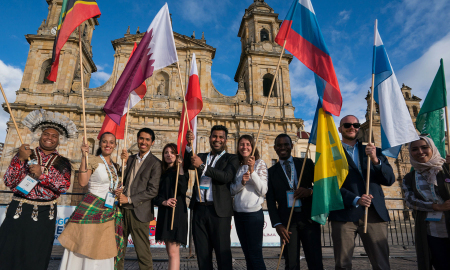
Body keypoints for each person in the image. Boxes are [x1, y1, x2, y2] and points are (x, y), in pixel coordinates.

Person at [0, 109, 76, 270]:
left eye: (54, 136)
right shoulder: (25, 153)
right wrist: (20, 160)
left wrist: (43, 176)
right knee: (9, 251)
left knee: (36, 253)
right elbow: (9, 181)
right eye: (46, 134)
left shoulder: (63, 162)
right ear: (40, 136)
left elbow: (63, 185)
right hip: (18, 210)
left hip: (44, 214)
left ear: (59, 140)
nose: (49, 138)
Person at [329, 115, 395, 270]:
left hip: (373, 212)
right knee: (342, 264)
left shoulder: (375, 151)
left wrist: (375, 160)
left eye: (355, 125)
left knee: (381, 263)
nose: (352, 127)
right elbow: (329, 185)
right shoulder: (331, 154)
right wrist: (355, 199)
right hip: (343, 213)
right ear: (340, 129)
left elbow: (390, 179)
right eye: (347, 125)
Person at [58, 132, 124, 269]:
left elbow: (112, 186)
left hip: (108, 211)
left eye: (111, 142)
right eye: (105, 141)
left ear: (115, 146)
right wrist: (84, 156)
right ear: (100, 143)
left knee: (103, 246)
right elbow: (82, 182)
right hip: (92, 207)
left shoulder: (115, 166)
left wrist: (118, 191)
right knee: (86, 244)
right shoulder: (92, 159)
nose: (108, 145)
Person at [184, 125, 239, 270]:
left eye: (221, 137)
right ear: (210, 138)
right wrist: (189, 146)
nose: (217, 139)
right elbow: (186, 164)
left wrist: (203, 167)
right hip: (199, 210)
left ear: (226, 140)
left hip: (219, 212)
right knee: (202, 254)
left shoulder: (231, 158)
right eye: (214, 136)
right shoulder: (201, 156)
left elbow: (226, 177)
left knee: (222, 253)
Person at [266, 133, 323, 270]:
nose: (283, 147)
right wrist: (277, 224)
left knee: (315, 261)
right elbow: (270, 201)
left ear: (292, 146)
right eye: (279, 145)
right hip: (287, 224)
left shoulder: (306, 163)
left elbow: (322, 186)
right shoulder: (271, 172)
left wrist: (310, 191)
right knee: (291, 264)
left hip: (309, 219)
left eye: (286, 144)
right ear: (275, 148)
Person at [116, 128, 162, 270]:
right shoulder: (129, 159)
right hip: (121, 211)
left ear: (152, 142)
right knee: (117, 250)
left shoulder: (155, 163)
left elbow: (153, 190)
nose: (143, 142)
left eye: (147, 139)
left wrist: (129, 199)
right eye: (141, 138)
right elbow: (120, 178)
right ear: (137, 140)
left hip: (140, 212)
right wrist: (122, 164)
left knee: (143, 253)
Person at [402, 136, 450, 270]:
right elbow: (410, 201)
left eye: (424, 147)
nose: (420, 152)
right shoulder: (410, 178)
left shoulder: (446, 168)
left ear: (432, 148)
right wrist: (436, 206)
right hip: (432, 233)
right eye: (414, 149)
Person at [230, 135, 268, 270]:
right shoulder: (237, 165)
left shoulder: (260, 163)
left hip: (253, 215)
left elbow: (263, 190)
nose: (244, 147)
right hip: (239, 215)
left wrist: (252, 172)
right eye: (241, 144)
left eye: (247, 144)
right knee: (247, 255)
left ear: (252, 147)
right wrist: (242, 182)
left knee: (255, 255)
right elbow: (232, 190)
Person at [153, 143, 188, 270]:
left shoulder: (180, 171)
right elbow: (155, 196)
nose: (169, 154)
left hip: (176, 213)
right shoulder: (161, 172)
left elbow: (183, 188)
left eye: (172, 152)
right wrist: (163, 202)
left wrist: (180, 167)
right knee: (170, 252)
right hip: (165, 212)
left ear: (177, 155)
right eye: (166, 152)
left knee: (173, 253)